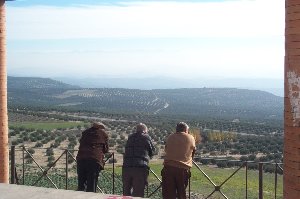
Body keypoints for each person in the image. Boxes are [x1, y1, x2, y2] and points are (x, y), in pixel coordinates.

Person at [161, 122, 196, 199]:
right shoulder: (190, 137)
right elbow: (193, 150)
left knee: (168, 195)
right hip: (182, 170)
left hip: (168, 169)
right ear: (185, 130)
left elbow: (166, 149)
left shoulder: (170, 137)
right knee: (181, 194)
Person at [122, 123, 155, 197]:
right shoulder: (146, 137)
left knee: (126, 192)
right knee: (138, 193)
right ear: (145, 131)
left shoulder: (130, 137)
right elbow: (152, 151)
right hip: (140, 167)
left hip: (126, 167)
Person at [76, 122, 109, 192]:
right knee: (92, 183)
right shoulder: (102, 134)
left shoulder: (85, 132)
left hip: (81, 159)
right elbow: (106, 149)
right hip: (94, 159)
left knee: (81, 183)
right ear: (100, 128)